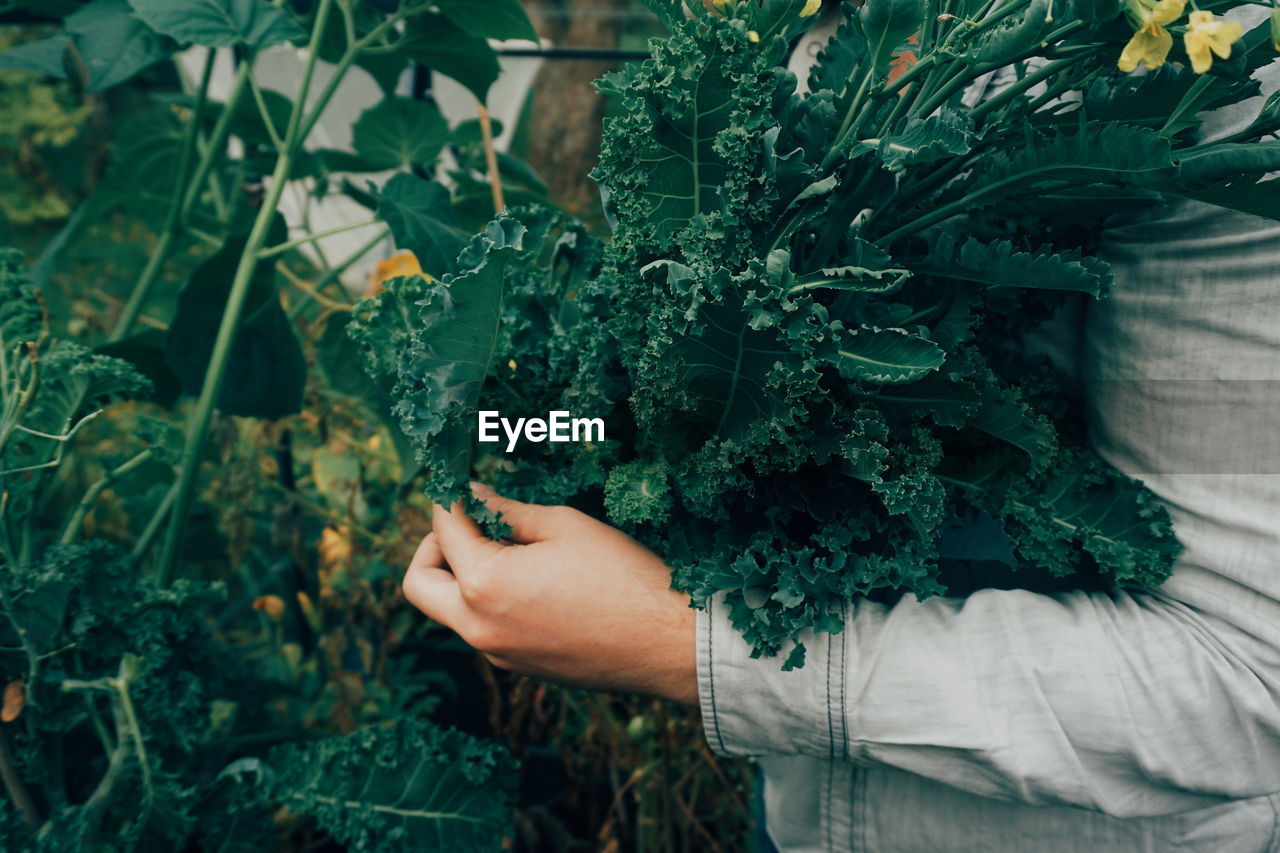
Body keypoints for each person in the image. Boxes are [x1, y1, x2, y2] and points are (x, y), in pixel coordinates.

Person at [401, 6, 1280, 851]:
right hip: (797, 810)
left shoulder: (1215, 76)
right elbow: (649, 407)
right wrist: (519, 423)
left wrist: (683, 644)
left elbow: (1247, 684)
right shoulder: (800, 28)